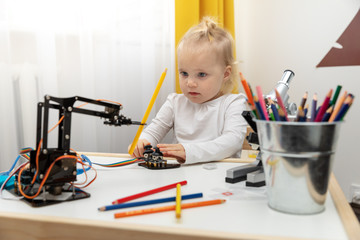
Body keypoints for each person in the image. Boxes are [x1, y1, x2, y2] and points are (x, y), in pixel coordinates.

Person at [129, 17, 248, 164]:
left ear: (225, 74)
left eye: (201, 74)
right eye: (184, 73)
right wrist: (142, 142)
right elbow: (153, 131)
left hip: (220, 179)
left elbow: (232, 142)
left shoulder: (234, 103)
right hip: (180, 177)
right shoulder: (174, 102)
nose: (190, 83)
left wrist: (189, 151)